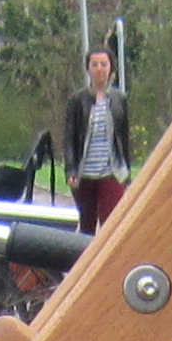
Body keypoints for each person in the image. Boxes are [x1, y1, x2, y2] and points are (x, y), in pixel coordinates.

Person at [61, 48, 129, 232]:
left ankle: (111, 260)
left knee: (112, 224)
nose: (99, 69)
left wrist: (126, 174)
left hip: (111, 171)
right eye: (95, 64)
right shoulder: (77, 100)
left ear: (110, 68)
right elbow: (69, 137)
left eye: (104, 64)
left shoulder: (119, 99)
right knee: (87, 224)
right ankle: (88, 259)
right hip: (85, 173)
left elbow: (123, 138)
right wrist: (71, 169)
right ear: (88, 68)